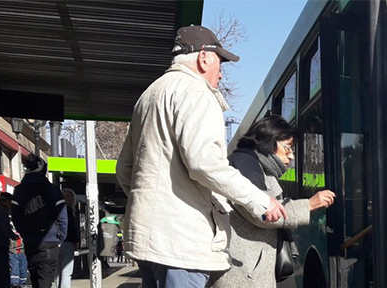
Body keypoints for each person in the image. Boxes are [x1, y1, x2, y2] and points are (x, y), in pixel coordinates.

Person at [116, 25, 288, 288]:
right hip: (183, 242)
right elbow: (205, 163)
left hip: (148, 240)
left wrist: (154, 205)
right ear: (204, 57)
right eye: (220, 62)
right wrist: (260, 200)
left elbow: (126, 169)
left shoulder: (148, 96)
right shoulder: (196, 92)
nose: (220, 72)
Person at [209, 115, 336, 288]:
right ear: (270, 141)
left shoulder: (253, 164)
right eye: (288, 148)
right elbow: (264, 213)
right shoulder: (246, 164)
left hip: (247, 271)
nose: (291, 156)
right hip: (243, 274)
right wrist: (308, 204)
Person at [11, 154, 68, 288]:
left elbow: (16, 216)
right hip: (50, 241)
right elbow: (62, 215)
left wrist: (24, 234)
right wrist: (61, 236)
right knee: (46, 279)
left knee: (35, 278)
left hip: (30, 240)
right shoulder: (52, 190)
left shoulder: (19, 190)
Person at [56, 188, 80, 288]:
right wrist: (76, 241)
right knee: (66, 271)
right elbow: (71, 228)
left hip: (55, 242)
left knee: (57, 271)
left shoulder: (55, 209)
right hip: (67, 242)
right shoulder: (69, 210)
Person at [9, 224, 28, 288]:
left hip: (22, 253)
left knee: (23, 269)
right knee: (15, 267)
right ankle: (14, 283)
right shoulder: (10, 232)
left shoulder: (23, 232)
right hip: (13, 253)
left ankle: (22, 283)